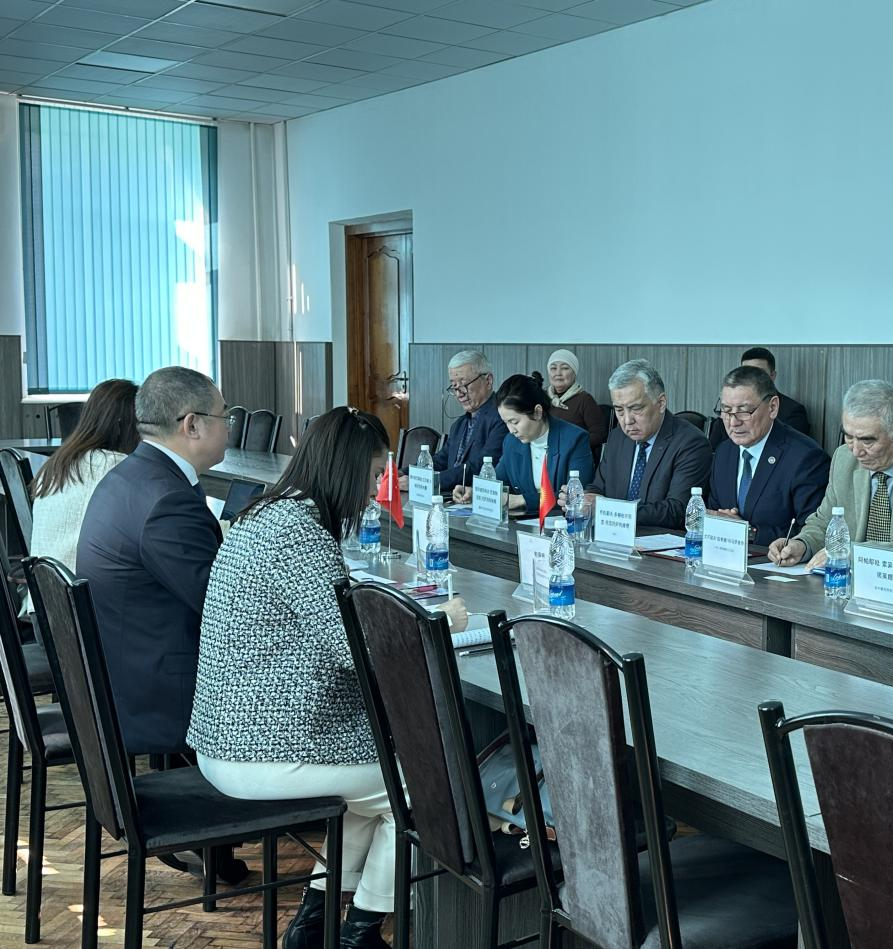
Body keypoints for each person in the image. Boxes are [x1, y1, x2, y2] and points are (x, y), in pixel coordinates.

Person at [187, 407, 467, 948]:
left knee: (371, 787)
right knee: (422, 787)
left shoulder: (270, 514)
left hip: (233, 737)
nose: (375, 490)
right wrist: (438, 623)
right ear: (347, 469)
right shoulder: (299, 534)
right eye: (374, 475)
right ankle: (363, 931)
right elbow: (358, 652)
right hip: (262, 750)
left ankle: (313, 925)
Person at [75, 366, 246, 881]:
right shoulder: (167, 499)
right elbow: (223, 606)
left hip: (123, 671)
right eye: (225, 417)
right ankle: (306, 809)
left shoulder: (130, 475)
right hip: (161, 690)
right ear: (192, 424)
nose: (230, 427)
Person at [768, 379, 893, 572]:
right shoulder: (843, 458)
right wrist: (802, 544)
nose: (856, 451)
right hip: (852, 584)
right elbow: (825, 522)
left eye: (867, 440)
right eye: (848, 436)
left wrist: (860, 555)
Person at [22, 378, 140, 614]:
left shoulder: (57, 464)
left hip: (43, 608)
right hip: (82, 614)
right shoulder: (117, 467)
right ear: (123, 425)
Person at [708, 365, 829, 546]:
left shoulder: (806, 458)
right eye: (726, 410)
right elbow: (716, 513)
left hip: (776, 560)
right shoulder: (724, 452)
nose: (733, 422)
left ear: (772, 407)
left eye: (744, 411)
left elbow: (812, 534)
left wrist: (748, 532)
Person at [587, 359, 712, 529]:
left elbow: (678, 510)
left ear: (661, 403)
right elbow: (599, 487)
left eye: (636, 408)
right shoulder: (618, 437)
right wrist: (586, 499)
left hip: (660, 541)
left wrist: (611, 510)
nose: (627, 420)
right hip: (613, 536)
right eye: (619, 410)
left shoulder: (691, 443)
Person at [453, 374, 593, 517]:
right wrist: (476, 492)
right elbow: (499, 482)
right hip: (523, 523)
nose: (511, 430)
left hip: (560, 523)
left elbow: (577, 497)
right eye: (506, 423)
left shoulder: (575, 440)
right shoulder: (511, 442)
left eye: (514, 422)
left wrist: (521, 500)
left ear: (537, 412)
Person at [432, 350, 507, 491]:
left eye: (464, 384)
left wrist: (433, 481)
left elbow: (481, 467)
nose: (459, 394)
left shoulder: (503, 418)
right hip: (452, 495)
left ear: (488, 381)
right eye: (454, 386)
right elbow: (441, 460)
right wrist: (405, 473)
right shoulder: (459, 424)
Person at [544, 349, 608, 463]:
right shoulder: (541, 396)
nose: (558, 373)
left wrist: (573, 444)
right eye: (553, 368)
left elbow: (600, 434)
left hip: (573, 458)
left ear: (574, 372)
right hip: (543, 456)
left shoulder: (584, 399)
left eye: (565, 368)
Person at [738, 347, 811, 435]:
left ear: (772, 375)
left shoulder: (793, 411)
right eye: (746, 373)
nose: (752, 378)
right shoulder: (732, 408)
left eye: (759, 373)